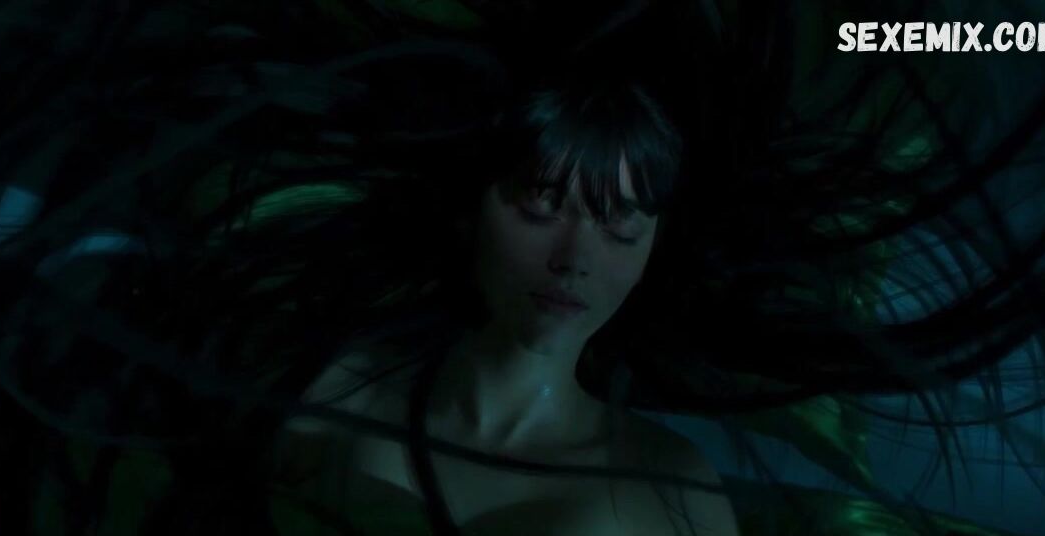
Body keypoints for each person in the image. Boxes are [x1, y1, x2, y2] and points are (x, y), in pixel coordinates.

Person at [268, 80, 741, 536]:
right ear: (471, 209)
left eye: (621, 231)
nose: (574, 260)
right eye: (541, 208)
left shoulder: (671, 480)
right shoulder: (343, 389)